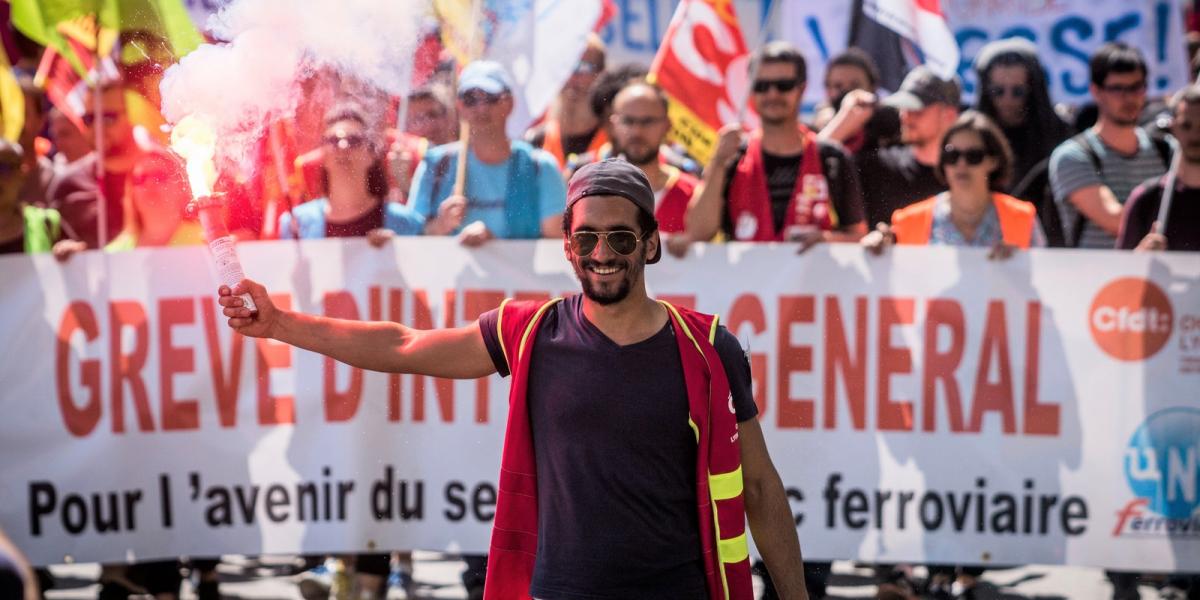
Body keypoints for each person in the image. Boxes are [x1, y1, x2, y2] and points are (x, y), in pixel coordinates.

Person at [218, 158, 809, 599]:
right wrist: (279, 323)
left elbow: (758, 487)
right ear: (569, 249)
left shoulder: (709, 348)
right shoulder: (532, 332)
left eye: (622, 238)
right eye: (587, 238)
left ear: (650, 244)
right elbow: (404, 345)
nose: (603, 252)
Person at [689, 41, 867, 251]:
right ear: (752, 90)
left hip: (813, 282)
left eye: (783, 85)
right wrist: (718, 162)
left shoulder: (832, 158)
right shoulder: (733, 157)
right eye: (762, 86)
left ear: (801, 89)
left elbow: (858, 237)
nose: (772, 94)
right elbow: (698, 233)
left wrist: (826, 240)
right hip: (745, 282)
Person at [409, 60, 565, 247]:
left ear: (509, 103)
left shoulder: (541, 168)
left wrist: (495, 249)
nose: (481, 108)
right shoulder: (435, 165)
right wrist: (439, 226)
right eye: (471, 99)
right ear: (460, 106)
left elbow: (556, 249)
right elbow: (411, 239)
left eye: (490, 98)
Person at [863, 111, 1044, 256]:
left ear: (993, 161)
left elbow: (1047, 282)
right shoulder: (909, 221)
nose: (961, 164)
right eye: (952, 155)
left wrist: (1020, 266)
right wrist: (879, 249)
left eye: (973, 156)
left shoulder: (1023, 217)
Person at [1048, 42, 1169, 249]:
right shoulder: (1072, 156)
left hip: (1160, 280)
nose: (1129, 97)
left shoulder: (1167, 149)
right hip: (1097, 281)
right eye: (1117, 89)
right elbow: (1117, 221)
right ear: (1096, 91)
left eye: (1136, 87)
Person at [279, 104, 423, 244]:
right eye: (334, 140)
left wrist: (398, 253)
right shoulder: (294, 224)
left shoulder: (406, 223)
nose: (343, 147)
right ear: (323, 155)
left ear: (372, 155)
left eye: (354, 140)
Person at [853, 66, 962, 228]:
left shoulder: (968, 176)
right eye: (903, 107)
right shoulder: (876, 166)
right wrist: (845, 121)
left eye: (917, 109)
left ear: (949, 115)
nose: (905, 116)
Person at [606, 80, 698, 255]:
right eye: (628, 121)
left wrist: (691, 243)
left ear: (667, 125)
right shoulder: (589, 190)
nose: (637, 132)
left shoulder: (692, 194)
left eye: (647, 122)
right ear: (614, 125)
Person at [973, 38, 1071, 188]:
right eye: (998, 91)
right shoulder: (969, 136)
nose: (1008, 99)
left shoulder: (1061, 134)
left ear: (1032, 89)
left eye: (1017, 91)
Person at [1118, 84, 1200, 252]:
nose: (1195, 135)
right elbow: (1121, 273)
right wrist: (1141, 256)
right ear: (1173, 127)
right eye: (1186, 125)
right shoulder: (1146, 199)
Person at [526, 34, 608, 167]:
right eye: (565, 66)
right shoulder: (535, 141)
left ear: (601, 75)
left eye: (582, 68)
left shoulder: (615, 142)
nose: (572, 77)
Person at [0, 139, 71, 256]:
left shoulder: (47, 223)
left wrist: (74, 254)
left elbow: (83, 265)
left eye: (2, 168)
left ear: (22, 173)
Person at [811, 49, 880, 138]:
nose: (848, 94)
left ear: (872, 87)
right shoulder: (816, 129)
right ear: (827, 90)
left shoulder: (887, 128)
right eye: (838, 86)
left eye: (855, 85)